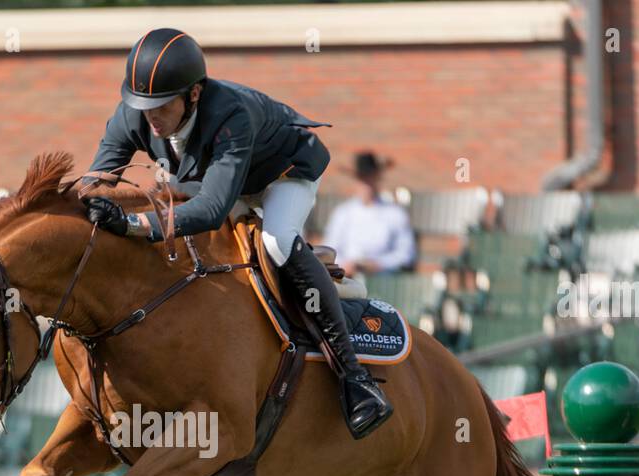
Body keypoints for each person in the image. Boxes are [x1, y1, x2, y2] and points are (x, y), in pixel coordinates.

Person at [81, 27, 391, 440]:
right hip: (217, 179)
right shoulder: (132, 115)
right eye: (143, 104)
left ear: (194, 94)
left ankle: (355, 380)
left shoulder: (230, 114)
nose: (150, 116)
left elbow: (211, 210)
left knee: (276, 241)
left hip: (281, 173)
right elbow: (96, 183)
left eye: (161, 105)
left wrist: (135, 225)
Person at [323, 151, 416, 277]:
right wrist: (346, 265)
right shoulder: (343, 213)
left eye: (370, 177)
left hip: (383, 280)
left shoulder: (395, 213)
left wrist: (379, 264)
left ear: (377, 178)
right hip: (347, 277)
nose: (367, 184)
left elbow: (406, 254)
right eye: (363, 178)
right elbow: (329, 250)